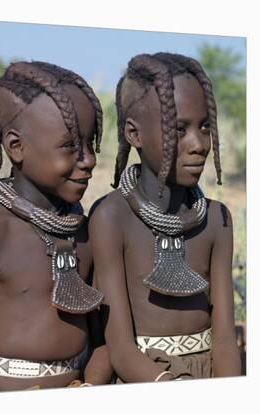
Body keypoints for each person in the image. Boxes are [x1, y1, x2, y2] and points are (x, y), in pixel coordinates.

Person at [0, 61, 112, 394]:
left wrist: (90, 386)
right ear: (16, 147)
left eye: (90, 143)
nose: (89, 160)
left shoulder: (85, 232)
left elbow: (103, 341)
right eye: (70, 146)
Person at [89, 52, 241, 382]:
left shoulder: (217, 219)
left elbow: (226, 338)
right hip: (143, 378)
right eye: (179, 129)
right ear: (134, 134)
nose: (199, 144)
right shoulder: (110, 218)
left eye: (204, 127)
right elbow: (120, 346)